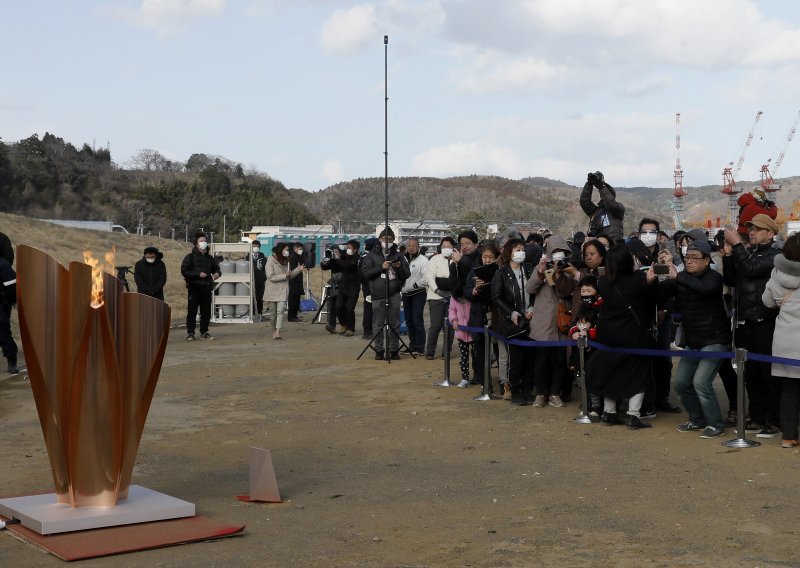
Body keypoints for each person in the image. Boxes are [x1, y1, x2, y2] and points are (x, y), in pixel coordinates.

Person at [661, 240, 730, 438]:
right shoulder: (682, 279)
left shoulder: (714, 278)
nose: (689, 261)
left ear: (707, 260)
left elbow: (704, 289)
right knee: (681, 382)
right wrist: (657, 276)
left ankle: (716, 424)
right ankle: (696, 419)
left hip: (715, 339)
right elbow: (662, 294)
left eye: (694, 258)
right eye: (687, 257)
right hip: (693, 340)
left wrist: (678, 276)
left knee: (701, 382)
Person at [587, 243, 658, 429]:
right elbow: (650, 298)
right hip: (633, 335)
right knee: (638, 373)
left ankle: (609, 412)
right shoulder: (637, 280)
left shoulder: (603, 282)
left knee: (611, 371)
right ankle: (633, 414)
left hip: (608, 335)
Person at [723, 213, 782, 438]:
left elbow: (750, 269)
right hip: (744, 322)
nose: (752, 232)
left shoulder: (775, 256)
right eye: (751, 229)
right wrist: (729, 256)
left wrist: (737, 245)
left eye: (757, 229)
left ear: (770, 233)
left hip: (765, 322)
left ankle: (773, 420)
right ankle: (757, 418)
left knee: (768, 374)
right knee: (750, 374)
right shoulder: (747, 252)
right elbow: (731, 280)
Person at [525, 235, 576, 407]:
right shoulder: (539, 268)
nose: (558, 255)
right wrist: (540, 272)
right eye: (554, 251)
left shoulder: (569, 270)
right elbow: (530, 288)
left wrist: (560, 273)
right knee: (541, 360)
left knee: (560, 361)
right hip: (543, 323)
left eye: (562, 252)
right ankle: (540, 394)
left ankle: (555, 393)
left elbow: (565, 292)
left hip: (561, 323)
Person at [761, 234, 800, 448]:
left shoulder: (777, 273)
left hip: (785, 339)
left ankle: (788, 436)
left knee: (790, 390)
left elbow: (767, 302)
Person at [491, 238, 535, 405]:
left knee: (530, 358)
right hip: (513, 322)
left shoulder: (529, 269)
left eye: (522, 249)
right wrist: (512, 313)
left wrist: (531, 307)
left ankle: (527, 389)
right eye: (517, 249)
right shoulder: (501, 273)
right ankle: (515, 390)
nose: (520, 252)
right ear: (509, 252)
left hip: (531, 320)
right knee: (515, 359)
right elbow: (496, 297)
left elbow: (536, 291)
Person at [361, 227, 410, 360]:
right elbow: (365, 273)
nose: (387, 241)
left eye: (390, 239)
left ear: (394, 240)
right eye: (384, 239)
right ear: (379, 239)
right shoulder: (371, 255)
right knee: (378, 323)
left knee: (394, 323)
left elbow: (407, 274)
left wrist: (399, 268)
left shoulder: (399, 255)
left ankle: (394, 349)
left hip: (394, 292)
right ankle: (379, 349)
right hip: (378, 293)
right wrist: (380, 267)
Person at [465, 243, 500, 392]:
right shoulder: (474, 271)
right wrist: (475, 289)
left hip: (497, 316)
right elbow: (466, 292)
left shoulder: (500, 272)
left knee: (499, 350)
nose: (487, 260)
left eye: (490, 257)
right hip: (478, 316)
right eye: (484, 257)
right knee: (479, 351)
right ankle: (485, 383)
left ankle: (505, 383)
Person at [180, 231, 221, 341]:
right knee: (192, 311)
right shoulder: (190, 257)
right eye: (201, 241)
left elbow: (216, 269)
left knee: (206, 312)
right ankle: (191, 333)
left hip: (207, 288)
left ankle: (204, 332)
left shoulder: (209, 258)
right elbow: (184, 271)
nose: (204, 243)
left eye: (205, 241)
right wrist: (197, 274)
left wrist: (217, 273)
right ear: (196, 244)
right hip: (194, 288)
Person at [424, 236, 457, 360]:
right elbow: (429, 277)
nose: (446, 249)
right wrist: (437, 290)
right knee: (436, 325)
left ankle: (446, 351)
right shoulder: (435, 259)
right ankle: (430, 351)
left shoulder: (456, 260)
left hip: (453, 297)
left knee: (450, 325)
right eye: (444, 247)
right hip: (435, 296)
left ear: (454, 247)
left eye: (449, 246)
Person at [265, 242, 303, 340]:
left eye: (288, 250)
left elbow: (289, 275)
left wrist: (297, 270)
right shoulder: (270, 260)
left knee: (280, 311)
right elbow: (270, 277)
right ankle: (274, 331)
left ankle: (278, 332)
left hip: (283, 289)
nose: (287, 252)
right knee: (273, 314)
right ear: (280, 250)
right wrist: (284, 275)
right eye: (285, 250)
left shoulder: (287, 261)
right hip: (272, 290)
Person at [580, 171, 625, 243]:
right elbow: (584, 202)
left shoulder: (618, 208)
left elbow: (611, 204)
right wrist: (589, 184)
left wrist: (601, 187)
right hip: (599, 247)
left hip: (613, 246)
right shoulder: (596, 211)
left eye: (604, 193)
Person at [401, 237, 428, 355]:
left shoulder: (423, 260)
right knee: (408, 320)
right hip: (405, 293)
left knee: (417, 319)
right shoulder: (402, 259)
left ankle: (420, 347)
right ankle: (412, 345)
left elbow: (426, 277)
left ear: (418, 247)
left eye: (414, 245)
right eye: (409, 245)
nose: (411, 247)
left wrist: (415, 285)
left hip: (418, 293)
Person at [0, 257, 19, 373]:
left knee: (2, 332)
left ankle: (12, 361)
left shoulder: (2, 265)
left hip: (0, 304)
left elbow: (12, 285)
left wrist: (13, 301)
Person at [359, 238, 380, 339]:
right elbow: (364, 274)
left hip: (370, 286)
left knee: (373, 308)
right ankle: (367, 331)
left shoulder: (366, 256)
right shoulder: (366, 257)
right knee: (369, 308)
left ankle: (370, 330)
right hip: (369, 286)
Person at [247, 240, 268, 320]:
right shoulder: (247, 256)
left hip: (260, 281)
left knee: (260, 298)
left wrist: (264, 277)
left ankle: (259, 313)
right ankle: (252, 313)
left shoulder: (262, 257)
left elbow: (266, 268)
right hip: (250, 281)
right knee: (251, 297)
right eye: (254, 246)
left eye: (257, 247)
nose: (256, 248)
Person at [287, 242, 306, 322]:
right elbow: (293, 270)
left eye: (302, 249)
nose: (301, 251)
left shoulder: (298, 256)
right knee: (293, 300)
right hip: (294, 281)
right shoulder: (292, 257)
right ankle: (291, 316)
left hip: (298, 281)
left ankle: (294, 315)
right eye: (300, 249)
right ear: (295, 249)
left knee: (297, 299)